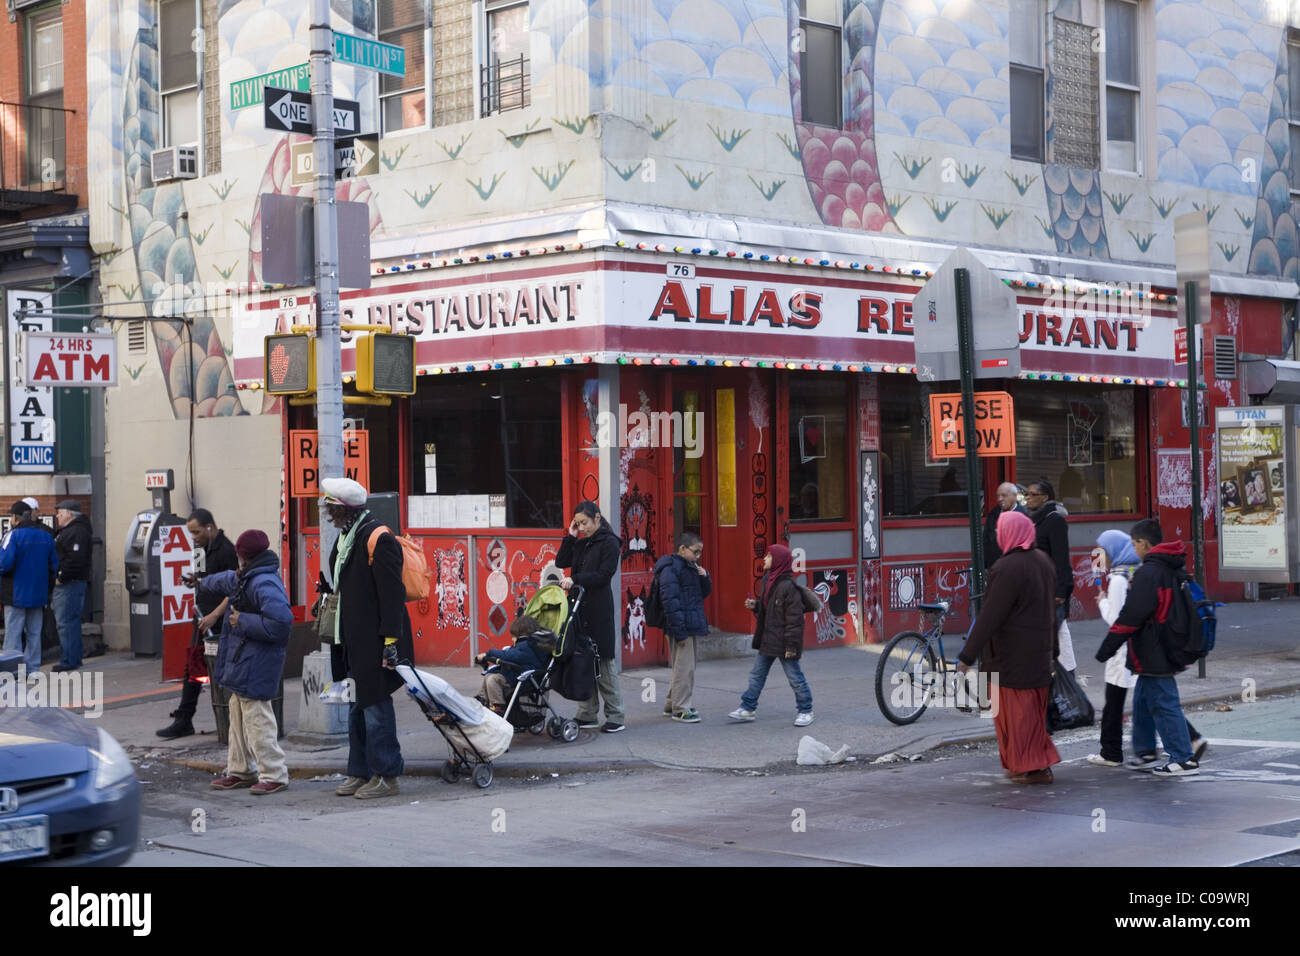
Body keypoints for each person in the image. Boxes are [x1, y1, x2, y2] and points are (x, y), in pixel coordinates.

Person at [319, 477, 414, 799]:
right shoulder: (348, 535)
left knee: (374, 706)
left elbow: (392, 596)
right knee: (356, 705)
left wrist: (390, 643)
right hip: (350, 638)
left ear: (342, 508)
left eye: (330, 508)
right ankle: (360, 772)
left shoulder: (377, 537)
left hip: (375, 640)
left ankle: (387, 775)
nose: (327, 514)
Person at [1088, 529, 1207, 768]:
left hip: (1145, 649)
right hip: (1152, 648)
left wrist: (1102, 609)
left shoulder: (1134, 576)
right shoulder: (1157, 569)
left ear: (1143, 543)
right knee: (1146, 699)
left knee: (1159, 701)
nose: (1133, 548)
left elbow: (1126, 618)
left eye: (1135, 543)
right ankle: (1147, 751)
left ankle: (1183, 756)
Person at [957, 510, 1061, 784]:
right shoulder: (1044, 561)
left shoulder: (1006, 568)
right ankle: (1038, 765)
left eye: (999, 531)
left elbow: (990, 616)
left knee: (1014, 719)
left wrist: (967, 655)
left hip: (1010, 658)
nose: (996, 535)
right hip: (1039, 656)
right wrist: (1054, 651)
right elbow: (1052, 611)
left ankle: (1025, 767)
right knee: (1032, 719)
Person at [190, 530, 292, 794]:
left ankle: (274, 774)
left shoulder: (262, 582)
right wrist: (201, 583)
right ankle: (241, 770)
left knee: (258, 719)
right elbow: (225, 581)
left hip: (257, 662)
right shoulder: (247, 577)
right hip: (245, 660)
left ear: (244, 556)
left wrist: (242, 621)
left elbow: (281, 623)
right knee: (237, 712)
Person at [158, 510, 239, 739]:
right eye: (190, 532)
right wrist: (194, 580)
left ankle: (231, 719)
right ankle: (184, 718)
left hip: (220, 619)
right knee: (193, 666)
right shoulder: (199, 550)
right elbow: (202, 575)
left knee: (222, 668)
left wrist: (215, 615)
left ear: (210, 527)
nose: (193, 536)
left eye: (196, 531)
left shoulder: (226, 551)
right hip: (202, 615)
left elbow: (234, 589)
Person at [555, 500, 626, 733]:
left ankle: (616, 715)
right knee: (582, 661)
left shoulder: (610, 543)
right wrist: (571, 536)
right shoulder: (581, 542)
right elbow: (560, 561)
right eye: (578, 523)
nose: (582, 527)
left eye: (584, 522)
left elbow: (604, 576)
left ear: (597, 517)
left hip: (598, 610)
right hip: (578, 608)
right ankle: (587, 713)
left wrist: (577, 579)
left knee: (604, 663)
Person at [729, 544, 815, 726]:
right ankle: (748, 708)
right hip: (768, 639)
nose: (765, 559)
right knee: (756, 675)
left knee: (795, 678)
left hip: (784, 643)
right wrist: (756, 605)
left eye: (769, 556)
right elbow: (769, 609)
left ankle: (806, 710)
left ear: (778, 561)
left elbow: (795, 621)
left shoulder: (789, 588)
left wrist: (791, 647)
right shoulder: (768, 580)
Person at [654, 531, 711, 723]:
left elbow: (702, 593)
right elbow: (670, 601)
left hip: (688, 623)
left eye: (700, 552)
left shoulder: (690, 567)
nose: (698, 556)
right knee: (685, 668)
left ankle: (672, 703)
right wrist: (679, 630)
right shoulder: (671, 568)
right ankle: (681, 708)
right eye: (695, 552)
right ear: (682, 549)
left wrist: (705, 576)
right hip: (681, 625)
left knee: (682, 666)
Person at [0, 500, 58, 676]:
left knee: (13, 634)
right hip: (39, 594)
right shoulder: (46, 537)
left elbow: (4, 563)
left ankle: (12, 671)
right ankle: (32, 669)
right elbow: (54, 565)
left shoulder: (12, 536)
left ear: (15, 518)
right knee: (34, 633)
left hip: (15, 594)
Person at [1025, 477, 1076, 673]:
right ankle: (1060, 680)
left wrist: (1061, 593)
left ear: (1045, 498)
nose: (1028, 498)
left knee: (1056, 639)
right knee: (1057, 639)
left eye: (1033, 494)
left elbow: (1062, 559)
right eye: (1026, 494)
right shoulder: (1032, 519)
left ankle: (1064, 682)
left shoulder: (1055, 521)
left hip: (1053, 591)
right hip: (1038, 589)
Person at [474, 615, 555, 715]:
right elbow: (512, 654)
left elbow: (509, 655)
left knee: (493, 679)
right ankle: (481, 699)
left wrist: (488, 654)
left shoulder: (527, 646)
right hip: (519, 676)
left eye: (513, 637)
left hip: (526, 679)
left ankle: (498, 705)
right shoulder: (530, 645)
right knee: (489, 676)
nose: (512, 640)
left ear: (521, 635)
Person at [51, 499, 93, 672]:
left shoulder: (75, 532)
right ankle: (72, 658)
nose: (57, 516)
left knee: (66, 623)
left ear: (69, 513)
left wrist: (61, 577)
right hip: (72, 583)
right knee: (70, 622)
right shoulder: (73, 530)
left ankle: (69, 660)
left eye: (60, 513)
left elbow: (75, 559)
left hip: (69, 584)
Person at [982, 482, 1028, 569]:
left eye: (1004, 495)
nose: (1000, 499)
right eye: (998, 496)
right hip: (995, 567)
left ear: (1014, 496)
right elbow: (986, 541)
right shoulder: (993, 514)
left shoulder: (1024, 516)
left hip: (1017, 568)